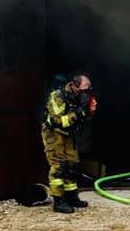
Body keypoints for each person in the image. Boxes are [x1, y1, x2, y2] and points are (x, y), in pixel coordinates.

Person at [41, 73, 96, 214]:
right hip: (54, 134)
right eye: (84, 90)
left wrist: (88, 111)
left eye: (88, 90)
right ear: (75, 86)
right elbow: (58, 121)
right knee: (59, 166)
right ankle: (59, 201)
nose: (86, 93)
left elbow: (82, 118)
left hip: (68, 134)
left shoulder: (78, 97)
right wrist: (78, 113)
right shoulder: (57, 96)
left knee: (72, 165)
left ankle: (72, 197)